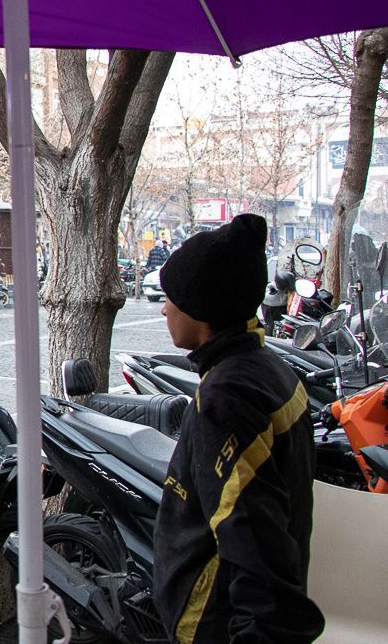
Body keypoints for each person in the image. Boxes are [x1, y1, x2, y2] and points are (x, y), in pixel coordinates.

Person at [154, 214, 324, 644]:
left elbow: (253, 544)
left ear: (199, 308)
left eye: (171, 297)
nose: (164, 308)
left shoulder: (227, 397)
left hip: (214, 620)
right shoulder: (270, 368)